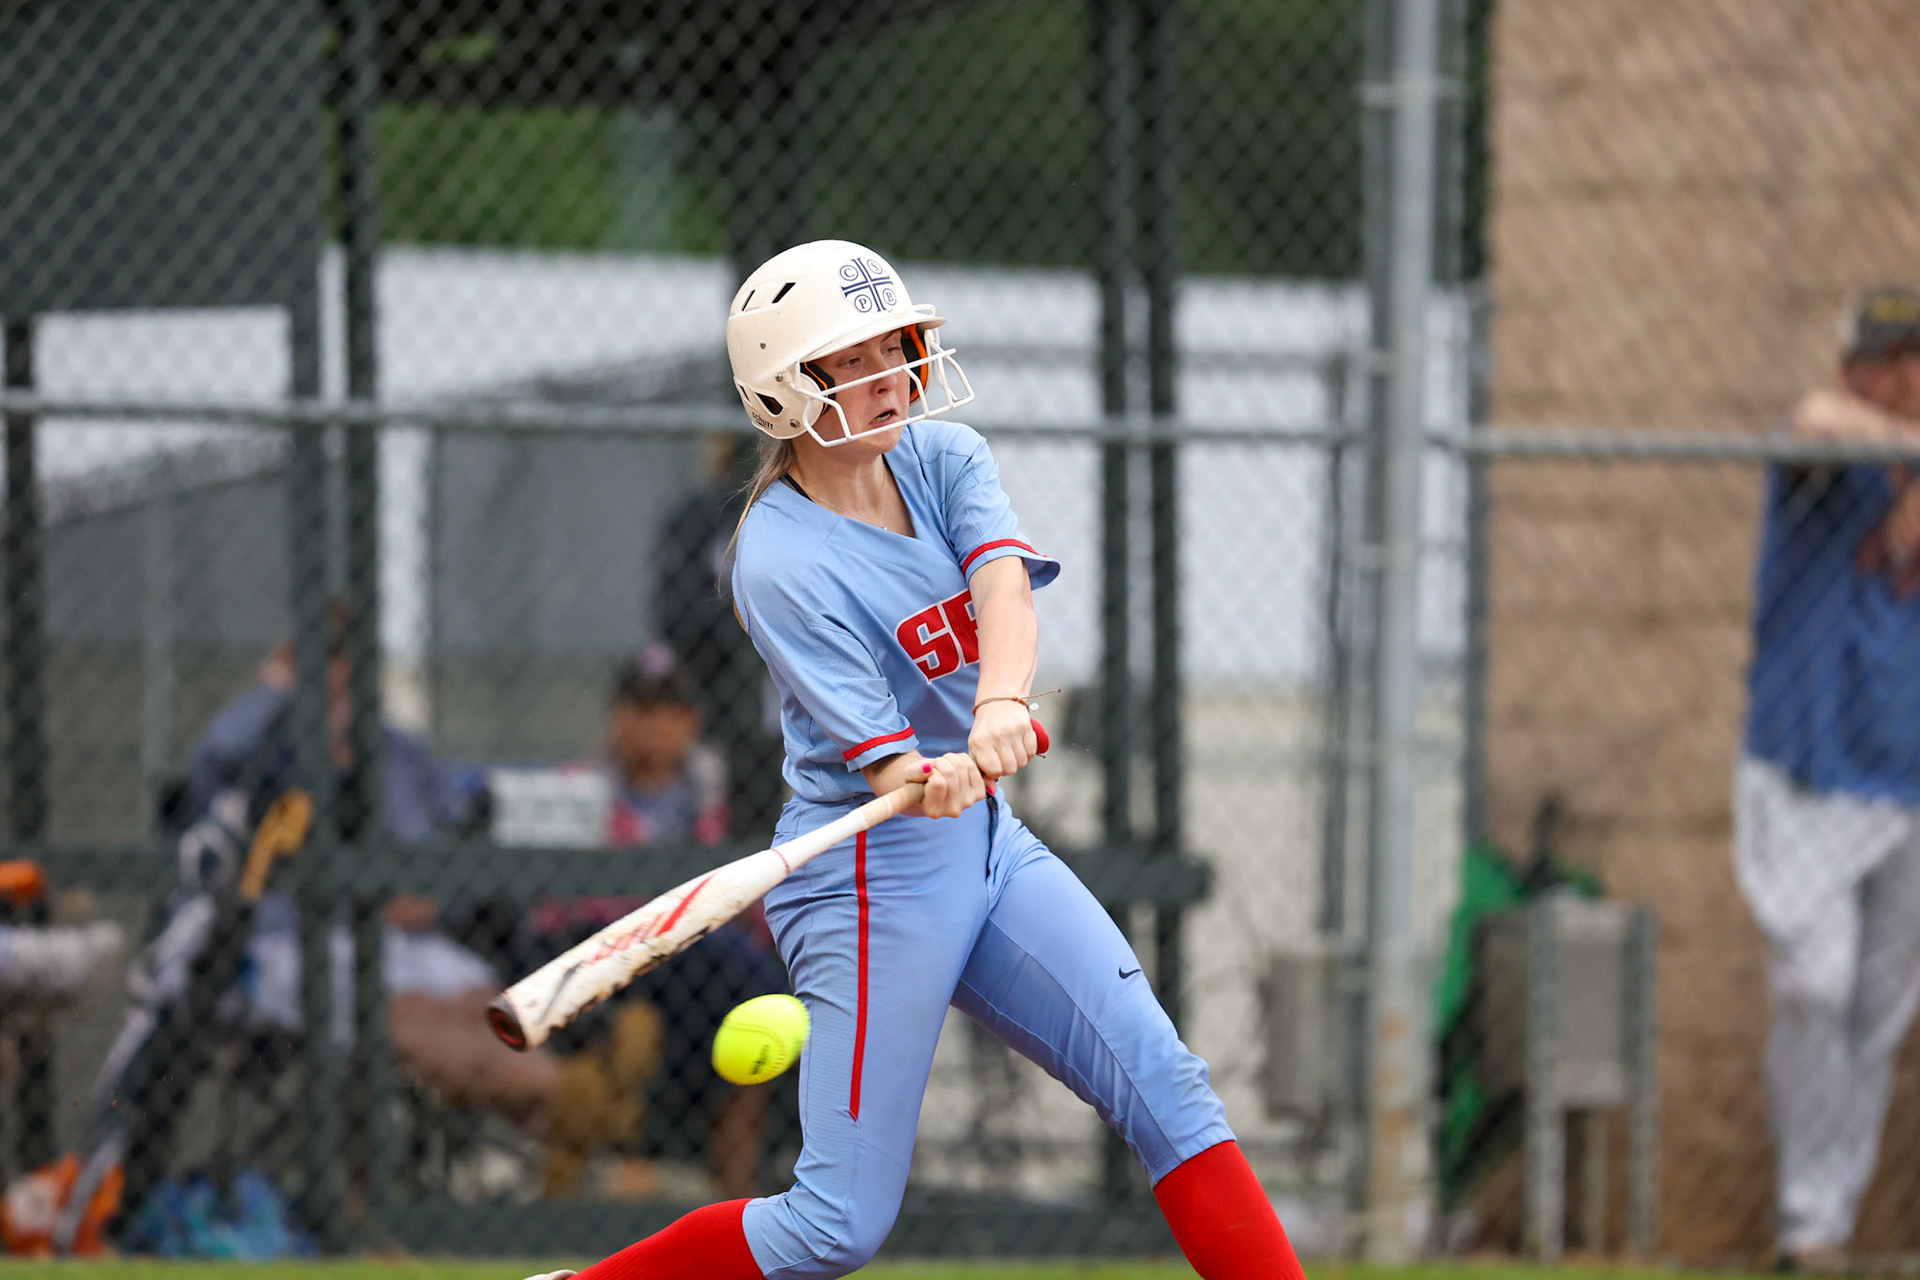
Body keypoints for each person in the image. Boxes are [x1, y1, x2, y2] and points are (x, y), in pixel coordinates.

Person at [521, 239, 1304, 1280]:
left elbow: (1005, 594)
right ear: (786, 391)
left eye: (894, 345)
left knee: (1167, 1083)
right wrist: (920, 772)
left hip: (987, 846)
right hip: (869, 879)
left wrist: (998, 705)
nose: (892, 372)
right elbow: (889, 767)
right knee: (834, 1224)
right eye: (856, 358)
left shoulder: (944, 459)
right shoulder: (777, 557)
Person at [1735, 285, 1920, 1270]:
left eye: (1917, 359)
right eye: (1887, 359)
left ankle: (1825, 1226)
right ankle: (1810, 1216)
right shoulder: (1833, 456)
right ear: (1856, 367)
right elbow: (1811, 421)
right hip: (1807, 772)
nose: (1905, 378)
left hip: (1909, 785)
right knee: (1816, 983)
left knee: (1878, 1012)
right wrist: (1895, 434)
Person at [535, 647, 783, 1199]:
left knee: (755, 992)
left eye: (668, 709)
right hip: (604, 949)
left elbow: (760, 898)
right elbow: (552, 909)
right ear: (615, 718)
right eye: (639, 708)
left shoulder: (728, 791)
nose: (653, 724)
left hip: (707, 960)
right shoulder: (574, 788)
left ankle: (736, 1199)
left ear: (691, 721)